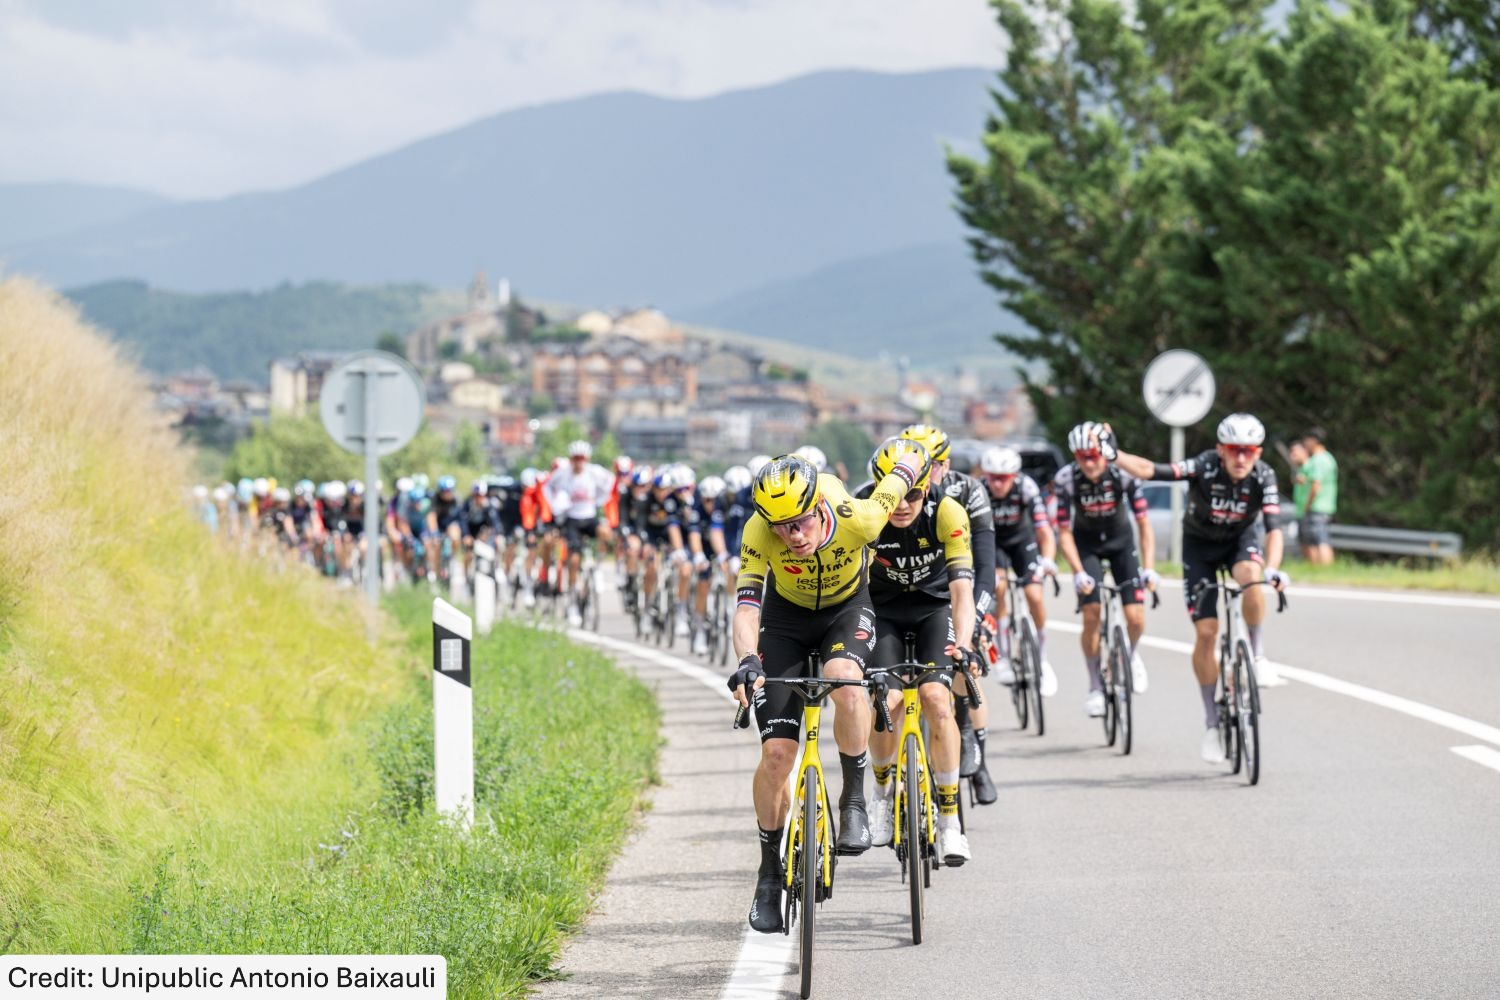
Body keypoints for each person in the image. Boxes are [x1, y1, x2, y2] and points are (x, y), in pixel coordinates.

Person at [729, 448, 927, 933]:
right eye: (779, 526)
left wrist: (909, 459)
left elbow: (899, 479)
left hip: (845, 609)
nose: (790, 536)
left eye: (798, 522)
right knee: (777, 754)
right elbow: (748, 606)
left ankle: (854, 799)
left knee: (845, 680)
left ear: (818, 506)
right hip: (785, 620)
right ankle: (769, 873)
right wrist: (747, 660)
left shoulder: (857, 518)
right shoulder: (759, 531)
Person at [1110, 413, 1292, 763]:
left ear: (1258, 452)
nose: (1242, 458)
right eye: (1234, 450)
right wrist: (1114, 456)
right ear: (1220, 449)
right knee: (1207, 633)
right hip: (1200, 549)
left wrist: (1273, 567)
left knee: (1252, 577)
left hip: (1239, 542)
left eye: (1249, 451)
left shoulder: (1264, 475)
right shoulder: (1204, 467)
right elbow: (1151, 471)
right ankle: (1212, 723)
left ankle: (1257, 655)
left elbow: (1273, 529)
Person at [858, 438, 978, 865]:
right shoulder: (864, 510)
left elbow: (962, 591)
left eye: (912, 493)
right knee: (884, 700)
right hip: (883, 612)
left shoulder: (947, 512)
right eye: (894, 493)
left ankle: (950, 822)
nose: (903, 504)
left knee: (937, 701)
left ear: (925, 486)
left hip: (933, 609)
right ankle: (881, 790)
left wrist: (964, 644)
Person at [1053, 422, 1157, 719]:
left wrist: (1149, 568)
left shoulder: (1123, 474)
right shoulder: (1066, 479)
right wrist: (1076, 571)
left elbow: (1144, 523)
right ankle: (1095, 685)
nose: (1088, 463)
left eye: (1094, 455)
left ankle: (1132, 655)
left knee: (1135, 617)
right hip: (1087, 548)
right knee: (1092, 613)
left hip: (1121, 543)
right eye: (1081, 456)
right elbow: (1063, 531)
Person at [544, 440, 616, 626]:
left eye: (582, 459)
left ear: (587, 459)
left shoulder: (594, 472)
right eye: (576, 459)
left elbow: (610, 482)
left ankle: (598, 568)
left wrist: (600, 499)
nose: (578, 462)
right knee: (574, 560)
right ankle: (573, 601)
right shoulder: (563, 474)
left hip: (589, 515)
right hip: (572, 519)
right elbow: (547, 487)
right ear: (571, 459)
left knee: (605, 532)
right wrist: (556, 506)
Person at [1300, 428, 1338, 565]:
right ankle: (1321, 570)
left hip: (1316, 506)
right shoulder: (1328, 458)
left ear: (1314, 441)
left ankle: (1323, 569)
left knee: (1318, 540)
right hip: (1325, 506)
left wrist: (1307, 505)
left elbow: (1316, 485)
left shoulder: (1318, 460)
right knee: (1321, 538)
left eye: (1307, 440)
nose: (1305, 443)